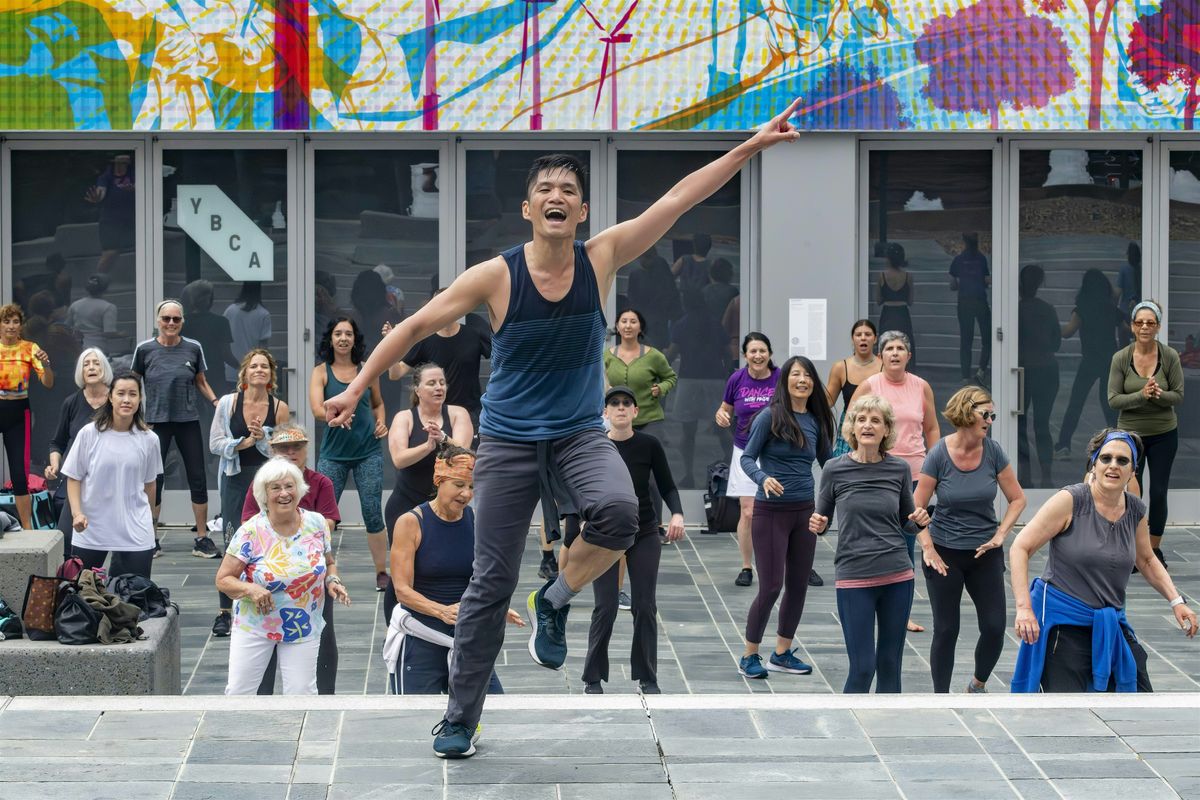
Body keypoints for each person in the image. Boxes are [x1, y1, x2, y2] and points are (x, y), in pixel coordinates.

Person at [323, 103, 802, 759]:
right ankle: (461, 718)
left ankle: (554, 598)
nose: (557, 196)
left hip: (578, 434)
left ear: (581, 211)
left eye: (568, 191)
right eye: (545, 189)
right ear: (528, 209)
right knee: (489, 582)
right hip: (509, 441)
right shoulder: (497, 275)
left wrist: (751, 146)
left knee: (621, 512)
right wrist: (357, 387)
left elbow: (678, 200)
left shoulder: (601, 257)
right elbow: (413, 327)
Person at [1010, 429, 1196, 692]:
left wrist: (1176, 601)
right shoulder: (1071, 500)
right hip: (1064, 622)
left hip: (1109, 621)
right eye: (1106, 458)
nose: (1113, 466)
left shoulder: (1135, 509)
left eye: (1122, 460)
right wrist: (1023, 608)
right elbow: (1020, 547)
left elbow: (1146, 560)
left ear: (1133, 471)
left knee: (1139, 697)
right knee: (1066, 708)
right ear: (1094, 464)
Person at [810, 394, 929, 693]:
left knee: (890, 665)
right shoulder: (834, 469)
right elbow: (822, 519)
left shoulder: (899, 469)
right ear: (851, 427)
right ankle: (849, 722)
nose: (867, 425)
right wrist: (819, 526)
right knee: (862, 668)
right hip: (854, 576)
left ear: (886, 429)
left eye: (876, 420)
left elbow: (906, 523)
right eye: (861, 419)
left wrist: (919, 522)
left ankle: (888, 723)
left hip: (897, 575)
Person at [912, 386, 1026, 693]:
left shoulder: (993, 452)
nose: (990, 421)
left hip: (983, 553)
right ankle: (940, 697)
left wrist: (1001, 535)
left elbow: (1017, 499)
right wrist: (928, 549)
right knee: (946, 629)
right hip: (944, 552)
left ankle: (977, 684)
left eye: (993, 415)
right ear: (965, 412)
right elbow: (916, 507)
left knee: (994, 627)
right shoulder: (939, 454)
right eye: (985, 414)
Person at [389, 446, 525, 694]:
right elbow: (402, 590)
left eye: (472, 487)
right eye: (459, 484)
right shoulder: (411, 523)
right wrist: (441, 611)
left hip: (465, 636)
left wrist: (494, 607)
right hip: (421, 637)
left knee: (493, 707)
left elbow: (481, 578)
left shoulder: (475, 520)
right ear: (439, 480)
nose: (466, 493)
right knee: (416, 714)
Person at [579, 386, 686, 694]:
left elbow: (667, 485)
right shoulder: (596, 446)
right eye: (614, 404)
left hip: (644, 531)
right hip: (605, 534)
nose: (621, 408)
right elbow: (579, 488)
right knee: (606, 605)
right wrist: (580, 523)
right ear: (605, 412)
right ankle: (592, 678)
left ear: (636, 412)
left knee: (644, 604)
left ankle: (647, 677)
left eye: (627, 403)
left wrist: (677, 514)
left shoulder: (648, 444)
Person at [217, 457, 351, 695]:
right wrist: (251, 589)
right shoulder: (250, 532)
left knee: (302, 694)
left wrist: (333, 581)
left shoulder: (317, 524)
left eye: (290, 486)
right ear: (264, 495)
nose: (284, 493)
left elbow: (328, 562)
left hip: (303, 624)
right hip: (256, 626)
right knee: (240, 693)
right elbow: (223, 579)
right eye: (275, 488)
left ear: (299, 490)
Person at [736, 356, 834, 680]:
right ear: (785, 381)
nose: (802, 380)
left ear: (813, 383)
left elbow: (830, 467)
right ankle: (749, 655)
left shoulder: (816, 421)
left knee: (798, 585)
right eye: (796, 375)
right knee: (771, 586)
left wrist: (828, 507)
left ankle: (781, 653)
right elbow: (747, 458)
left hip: (804, 512)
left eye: (807, 375)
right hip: (771, 513)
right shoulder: (770, 416)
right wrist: (762, 478)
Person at [240, 424, 342, 695]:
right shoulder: (261, 482)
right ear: (271, 451)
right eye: (283, 448)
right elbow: (247, 524)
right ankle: (261, 699)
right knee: (262, 644)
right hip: (266, 578)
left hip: (309, 578)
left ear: (306, 449)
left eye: (297, 446)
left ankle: (324, 698)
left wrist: (299, 530)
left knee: (323, 636)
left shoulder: (321, 483)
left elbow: (329, 522)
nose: (290, 452)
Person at [851, 329, 940, 632]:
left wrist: (933, 466)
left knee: (906, 543)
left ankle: (900, 612)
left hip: (914, 476)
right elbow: (851, 426)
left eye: (900, 349)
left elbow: (932, 428)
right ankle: (869, 602)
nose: (895, 353)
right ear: (880, 355)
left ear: (908, 356)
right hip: (878, 474)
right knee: (877, 540)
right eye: (889, 349)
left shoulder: (921, 386)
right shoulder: (870, 386)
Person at [209, 349, 290, 637]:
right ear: (244, 372)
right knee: (233, 542)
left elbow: (283, 450)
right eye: (254, 366)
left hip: (266, 481)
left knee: (268, 542)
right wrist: (243, 443)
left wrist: (262, 439)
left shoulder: (279, 407)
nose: (259, 370)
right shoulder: (228, 403)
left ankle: (268, 601)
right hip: (234, 479)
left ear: (271, 375)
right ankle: (225, 611)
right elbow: (215, 443)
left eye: (264, 366)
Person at [384, 362, 473, 624]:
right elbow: (399, 459)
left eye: (442, 382)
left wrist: (443, 438)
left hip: (448, 505)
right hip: (407, 501)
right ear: (417, 389)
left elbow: (464, 453)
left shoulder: (457, 413)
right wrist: (428, 446)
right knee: (403, 572)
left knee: (446, 565)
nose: (438, 388)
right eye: (431, 383)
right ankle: (397, 629)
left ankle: (446, 617)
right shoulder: (405, 417)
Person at [133, 299, 219, 557]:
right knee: (154, 479)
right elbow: (133, 385)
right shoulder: (144, 350)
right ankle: (150, 538)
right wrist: (132, 417)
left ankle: (202, 538)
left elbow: (200, 381)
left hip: (187, 420)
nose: (171, 323)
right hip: (155, 423)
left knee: (197, 476)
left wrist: (217, 402)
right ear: (158, 321)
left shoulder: (193, 348)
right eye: (166, 318)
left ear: (182, 321)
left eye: (176, 319)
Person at [310, 317, 390, 591]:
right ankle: (318, 569)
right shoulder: (321, 371)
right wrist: (335, 416)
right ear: (330, 339)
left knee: (372, 511)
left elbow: (378, 404)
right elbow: (317, 409)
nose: (343, 338)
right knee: (323, 516)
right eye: (338, 334)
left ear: (355, 339)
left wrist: (381, 422)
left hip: (368, 451)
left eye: (348, 334)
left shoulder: (367, 369)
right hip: (333, 454)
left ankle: (381, 572)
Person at [62, 371, 162, 578]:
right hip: (91, 528)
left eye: (133, 394)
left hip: (135, 530)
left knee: (134, 593)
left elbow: (150, 484)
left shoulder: (149, 439)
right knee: (82, 591)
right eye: (121, 393)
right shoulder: (89, 433)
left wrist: (150, 521)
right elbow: (74, 477)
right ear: (110, 397)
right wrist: (77, 513)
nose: (126, 400)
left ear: (140, 399)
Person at [1107, 300, 1183, 569]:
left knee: (1158, 492)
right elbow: (1113, 399)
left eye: (1150, 323)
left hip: (1164, 433)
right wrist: (1141, 395)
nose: (1145, 327)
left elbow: (1178, 395)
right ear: (1132, 326)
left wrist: (1159, 394)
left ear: (1158, 326)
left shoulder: (1169, 356)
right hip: (1130, 436)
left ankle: (1153, 550)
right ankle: (1133, 549)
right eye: (1139, 322)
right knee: (1130, 493)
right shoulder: (1121, 358)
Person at [715, 332, 779, 587]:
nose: (758, 355)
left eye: (762, 351)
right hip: (745, 451)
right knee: (749, 511)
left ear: (770, 354)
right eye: (753, 351)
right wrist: (720, 416)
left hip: (776, 451)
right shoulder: (736, 379)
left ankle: (789, 563)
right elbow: (725, 409)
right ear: (745, 355)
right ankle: (746, 566)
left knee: (781, 510)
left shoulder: (780, 377)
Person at [386, 289, 493, 425]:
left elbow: (501, 359)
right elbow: (395, 374)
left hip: (470, 416)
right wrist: (390, 343)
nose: (444, 310)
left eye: (449, 304)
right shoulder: (424, 339)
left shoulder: (473, 335)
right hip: (434, 418)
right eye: (439, 305)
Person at [45, 348, 112, 555]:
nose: (91, 367)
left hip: (109, 479)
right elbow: (57, 442)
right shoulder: (71, 402)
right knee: (65, 537)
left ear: (104, 368)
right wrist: (54, 465)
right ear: (80, 371)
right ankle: (70, 572)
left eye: (96, 363)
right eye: (86, 364)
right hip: (77, 479)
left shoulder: (116, 400)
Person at [666, 288, 733, 488]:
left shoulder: (682, 324)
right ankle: (733, 465)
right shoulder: (715, 323)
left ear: (685, 303)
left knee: (688, 432)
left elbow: (672, 354)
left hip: (689, 379)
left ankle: (688, 474)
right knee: (723, 429)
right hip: (715, 379)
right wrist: (728, 375)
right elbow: (728, 354)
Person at [1054, 268, 1122, 459]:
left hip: (1090, 360)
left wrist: (1051, 328)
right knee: (1109, 406)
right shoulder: (1111, 309)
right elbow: (1128, 328)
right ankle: (1120, 444)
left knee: (1076, 402)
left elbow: (1068, 332)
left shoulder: (1082, 308)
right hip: (1110, 361)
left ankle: (1063, 444)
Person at [0, 303, 54, 529]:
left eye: (16, 322)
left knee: (19, 473)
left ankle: (27, 529)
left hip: (18, 411)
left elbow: (48, 383)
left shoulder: (29, 348)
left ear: (21, 326)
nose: (11, 326)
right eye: (6, 321)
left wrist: (46, 365)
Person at [1016, 265, 1061, 488]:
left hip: (1023, 370)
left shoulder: (1016, 310)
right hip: (1047, 370)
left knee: (1019, 425)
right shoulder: (1048, 309)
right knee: (1042, 425)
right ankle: (1046, 475)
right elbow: (1056, 343)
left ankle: (1025, 475)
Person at [604, 307, 677, 443]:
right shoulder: (606, 356)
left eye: (633, 322)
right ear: (617, 327)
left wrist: (661, 388)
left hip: (649, 420)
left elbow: (670, 377)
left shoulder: (654, 355)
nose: (628, 326)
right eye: (624, 321)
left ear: (640, 327)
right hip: (617, 421)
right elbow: (596, 381)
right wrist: (605, 388)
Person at [824, 319, 881, 459]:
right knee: (845, 465)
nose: (863, 338)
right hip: (849, 423)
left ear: (875, 339)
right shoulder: (840, 367)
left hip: (876, 423)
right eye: (858, 334)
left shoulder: (884, 367)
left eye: (868, 334)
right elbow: (828, 401)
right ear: (852, 339)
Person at [182, 279, 238, 397]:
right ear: (210, 299)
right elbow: (226, 354)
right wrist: (243, 368)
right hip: (215, 377)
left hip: (189, 376)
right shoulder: (221, 322)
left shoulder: (182, 322)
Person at [949, 232, 991, 385]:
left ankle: (965, 376)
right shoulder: (981, 259)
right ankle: (981, 371)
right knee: (987, 338)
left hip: (965, 301)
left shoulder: (958, 260)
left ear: (964, 242)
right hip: (980, 300)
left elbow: (953, 284)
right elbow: (986, 280)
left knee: (966, 339)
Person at [84, 154, 135, 275]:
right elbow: (101, 191)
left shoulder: (134, 174)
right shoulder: (106, 177)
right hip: (110, 222)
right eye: (119, 163)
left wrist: (135, 189)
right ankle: (96, 280)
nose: (122, 166)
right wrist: (98, 197)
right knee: (110, 252)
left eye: (125, 163)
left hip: (131, 221)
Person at [625, 251, 680, 347]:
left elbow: (632, 299)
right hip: (659, 322)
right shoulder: (661, 270)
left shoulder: (637, 275)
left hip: (647, 320)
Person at [877, 243, 917, 371]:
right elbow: (910, 301)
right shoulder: (908, 276)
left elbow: (878, 300)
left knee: (886, 344)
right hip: (902, 314)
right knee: (904, 344)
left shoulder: (882, 276)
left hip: (887, 314)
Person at [223, 282, 272, 385]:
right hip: (253, 371)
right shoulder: (263, 314)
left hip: (230, 370)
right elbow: (263, 348)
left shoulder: (230, 310)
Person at [65, 274, 118, 353]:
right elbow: (109, 333)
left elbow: (66, 326)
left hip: (77, 348)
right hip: (97, 348)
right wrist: (121, 334)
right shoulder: (108, 307)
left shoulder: (75, 305)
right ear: (105, 289)